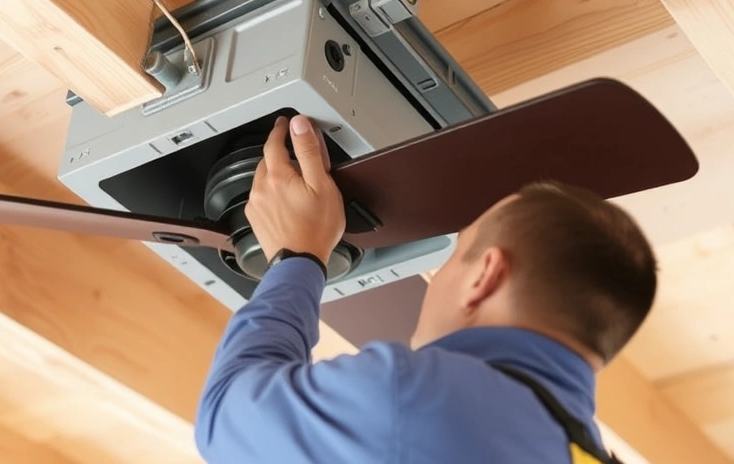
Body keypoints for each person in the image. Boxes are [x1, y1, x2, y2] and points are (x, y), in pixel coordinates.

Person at [194, 115, 656, 463]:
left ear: (484, 277)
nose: (441, 274)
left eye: (457, 253)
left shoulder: (417, 396)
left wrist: (297, 255)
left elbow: (225, 414)